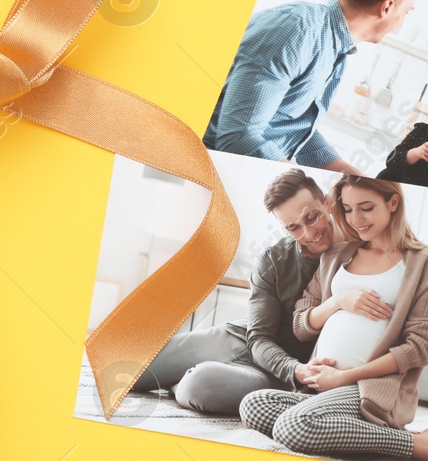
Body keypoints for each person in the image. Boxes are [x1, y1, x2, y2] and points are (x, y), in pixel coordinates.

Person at [238, 176, 428, 461]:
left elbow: (419, 348)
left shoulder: (426, 260)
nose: (356, 219)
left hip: (366, 388)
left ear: (393, 203)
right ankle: (398, 438)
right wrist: (337, 301)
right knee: (253, 404)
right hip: (321, 385)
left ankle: (421, 446)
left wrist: (345, 377)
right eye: (347, 209)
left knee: (294, 427)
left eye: (366, 208)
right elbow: (300, 325)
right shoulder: (336, 256)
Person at [205, 0, 428, 172]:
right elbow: (237, 137)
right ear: (387, 7)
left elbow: (293, 125)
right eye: (406, 12)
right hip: (201, 168)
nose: (402, 23)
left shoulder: (333, 45)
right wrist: (302, 183)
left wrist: (346, 172)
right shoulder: (296, 32)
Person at [135, 169, 339, 415]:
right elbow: (259, 337)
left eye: (312, 217)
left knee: (198, 386)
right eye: (294, 227)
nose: (308, 233)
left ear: (326, 203)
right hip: (239, 339)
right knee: (131, 365)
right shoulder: (274, 258)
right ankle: (182, 373)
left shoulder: (360, 256)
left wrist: (296, 371)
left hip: (280, 374)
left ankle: (179, 383)